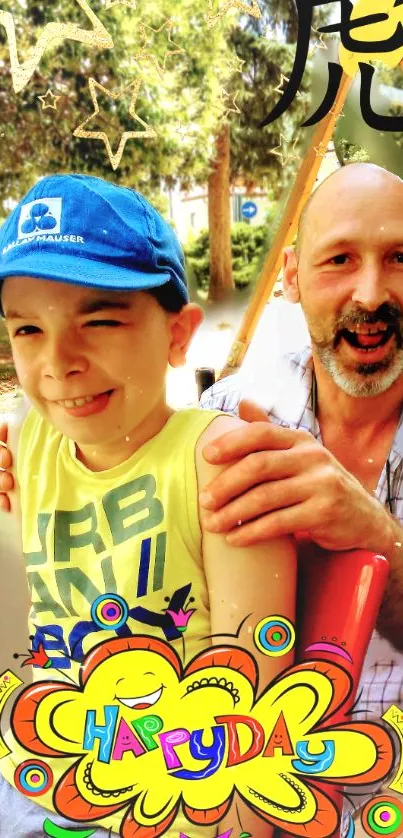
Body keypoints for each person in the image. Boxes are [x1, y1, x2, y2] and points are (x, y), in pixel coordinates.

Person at [0, 174, 296, 838]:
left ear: (177, 334)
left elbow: (256, 719)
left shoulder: (220, 466)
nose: (58, 362)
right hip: (42, 776)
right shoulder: (27, 436)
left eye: (99, 320)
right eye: (26, 329)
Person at [199, 161, 403, 721]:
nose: (370, 294)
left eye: (399, 259)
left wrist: (377, 538)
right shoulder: (223, 416)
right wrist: (46, 465)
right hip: (252, 775)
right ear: (291, 276)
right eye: (339, 259)